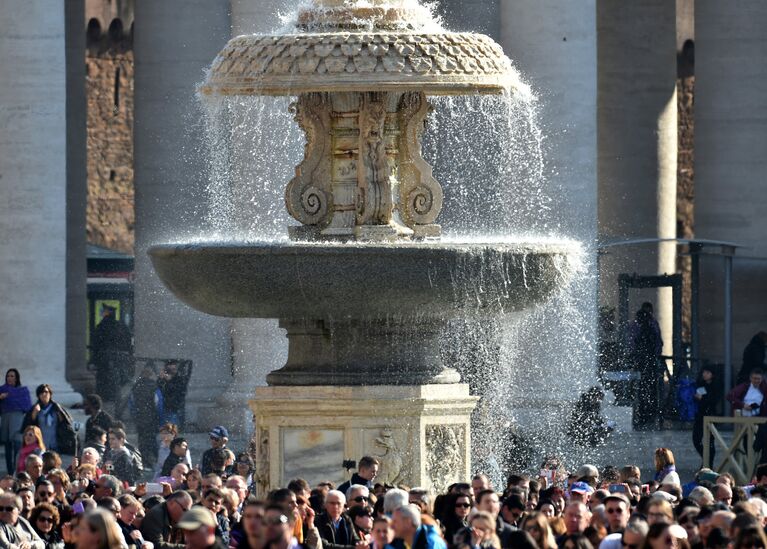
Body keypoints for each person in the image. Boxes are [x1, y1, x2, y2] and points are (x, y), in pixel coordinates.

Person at [630, 304, 664, 430]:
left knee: (639, 390)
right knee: (651, 390)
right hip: (650, 364)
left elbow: (631, 343)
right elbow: (658, 343)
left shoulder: (636, 326)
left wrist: (634, 358)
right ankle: (650, 416)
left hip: (641, 363)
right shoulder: (652, 325)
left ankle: (642, 417)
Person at [91, 304, 133, 401]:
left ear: (107, 313)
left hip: (104, 359)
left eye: (104, 311)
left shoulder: (102, 326)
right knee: (116, 380)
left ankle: (105, 398)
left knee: (104, 380)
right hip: (118, 359)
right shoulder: (121, 326)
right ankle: (115, 398)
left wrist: (94, 360)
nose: (102, 313)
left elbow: (96, 344)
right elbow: (128, 343)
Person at [22, 385, 76, 455]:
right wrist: (34, 413)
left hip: (55, 444)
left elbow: (65, 424)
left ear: (50, 394)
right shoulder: (35, 408)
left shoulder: (56, 408)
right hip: (40, 445)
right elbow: (29, 425)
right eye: (41, 393)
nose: (44, 394)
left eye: (46, 392)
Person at [0, 368, 32, 475]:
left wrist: (11, 399)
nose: (10, 378)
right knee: (8, 447)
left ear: (16, 378)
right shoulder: (2, 389)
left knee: (18, 446)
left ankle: (18, 470)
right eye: (8, 376)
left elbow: (27, 406)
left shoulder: (23, 390)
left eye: (12, 376)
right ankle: (10, 471)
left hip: (18, 419)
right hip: (5, 420)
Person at [132, 363, 160, 469]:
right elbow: (158, 403)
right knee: (151, 439)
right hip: (151, 418)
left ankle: (145, 461)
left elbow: (132, 403)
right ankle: (155, 461)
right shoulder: (154, 385)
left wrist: (135, 415)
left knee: (142, 441)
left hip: (140, 418)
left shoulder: (136, 385)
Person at [692, 366, 718, 467]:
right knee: (696, 440)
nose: (705, 374)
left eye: (708, 372)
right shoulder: (700, 384)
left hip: (711, 415)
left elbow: (714, 400)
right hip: (700, 415)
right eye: (704, 372)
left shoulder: (716, 385)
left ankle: (708, 464)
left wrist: (703, 398)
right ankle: (706, 459)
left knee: (710, 442)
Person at [158, 361, 190, 428]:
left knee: (173, 430)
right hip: (164, 408)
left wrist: (169, 381)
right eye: (169, 370)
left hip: (175, 408)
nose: (171, 372)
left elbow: (179, 391)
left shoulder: (180, 379)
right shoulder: (163, 379)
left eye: (173, 369)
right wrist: (160, 379)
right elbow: (159, 390)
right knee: (164, 431)